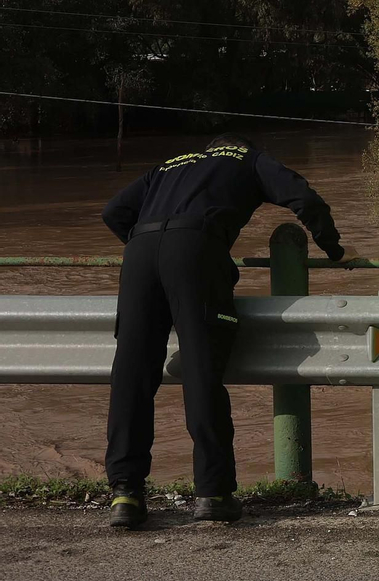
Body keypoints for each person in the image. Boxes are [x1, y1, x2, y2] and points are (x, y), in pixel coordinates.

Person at [100, 134, 357, 529]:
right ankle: (212, 492)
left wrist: (151, 247)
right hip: (195, 249)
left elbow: (114, 211)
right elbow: (303, 198)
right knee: (201, 372)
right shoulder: (249, 160)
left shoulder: (171, 163)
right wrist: (334, 247)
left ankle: (125, 493)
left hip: (140, 251)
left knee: (131, 375)